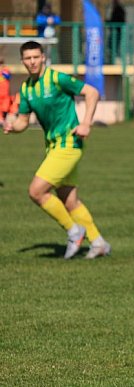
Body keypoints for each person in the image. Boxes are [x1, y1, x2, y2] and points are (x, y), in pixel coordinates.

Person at [2, 41, 111, 260]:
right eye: (27, 58)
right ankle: (98, 242)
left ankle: (73, 231)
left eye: (36, 57)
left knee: (36, 191)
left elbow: (92, 93)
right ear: (22, 61)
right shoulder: (26, 89)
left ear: (43, 57)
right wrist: (12, 127)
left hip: (69, 144)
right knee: (69, 200)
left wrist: (86, 123)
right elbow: (24, 121)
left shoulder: (57, 78)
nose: (32, 62)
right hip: (53, 147)